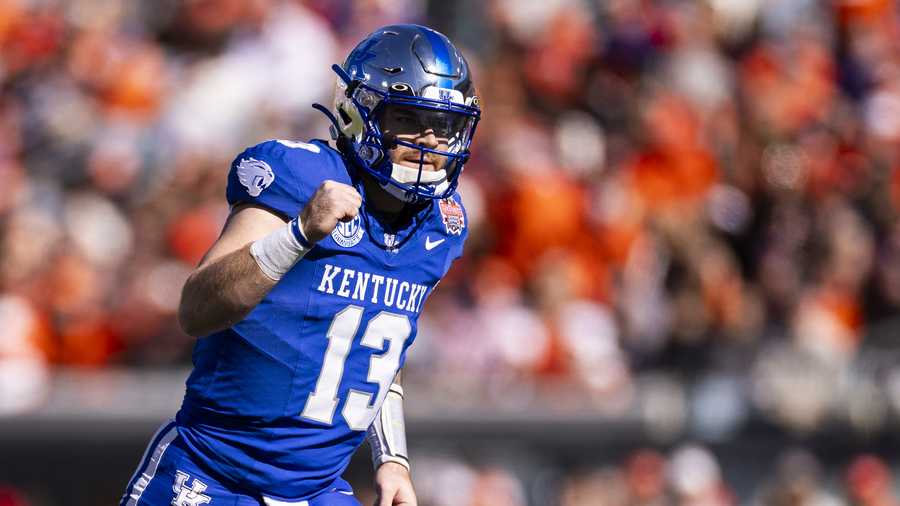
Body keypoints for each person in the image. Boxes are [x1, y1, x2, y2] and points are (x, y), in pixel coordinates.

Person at [120, 24, 480, 506]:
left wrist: (392, 457)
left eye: (446, 125)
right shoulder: (300, 175)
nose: (430, 143)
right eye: (410, 120)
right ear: (361, 114)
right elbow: (197, 308)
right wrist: (298, 233)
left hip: (318, 491)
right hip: (214, 478)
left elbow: (374, 348)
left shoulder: (442, 226)